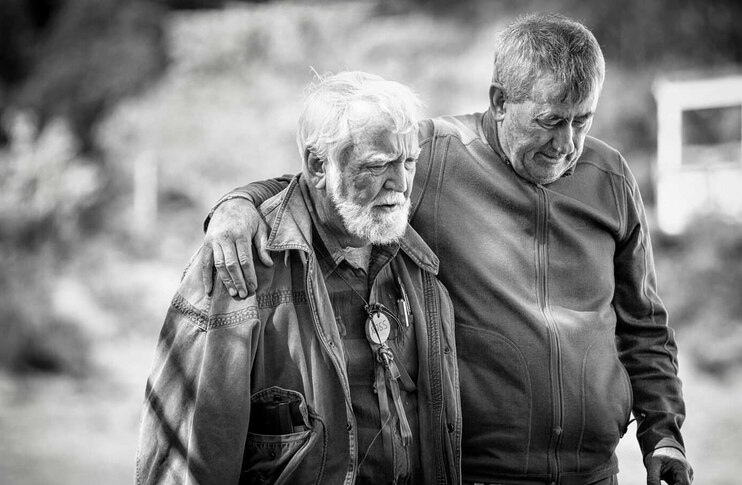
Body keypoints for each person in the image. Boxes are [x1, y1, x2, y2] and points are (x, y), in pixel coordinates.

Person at [201, 12, 694, 485]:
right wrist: (238, 203)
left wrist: (663, 434)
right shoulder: (432, 154)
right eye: (548, 121)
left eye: (581, 121)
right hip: (473, 473)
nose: (566, 144)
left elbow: (643, 323)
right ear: (500, 101)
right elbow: (331, 180)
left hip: (595, 474)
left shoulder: (610, 177)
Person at [136, 71, 461, 485]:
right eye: (377, 166)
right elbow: (185, 462)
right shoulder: (240, 264)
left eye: (409, 162)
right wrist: (237, 203)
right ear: (317, 165)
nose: (400, 183)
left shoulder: (412, 255)